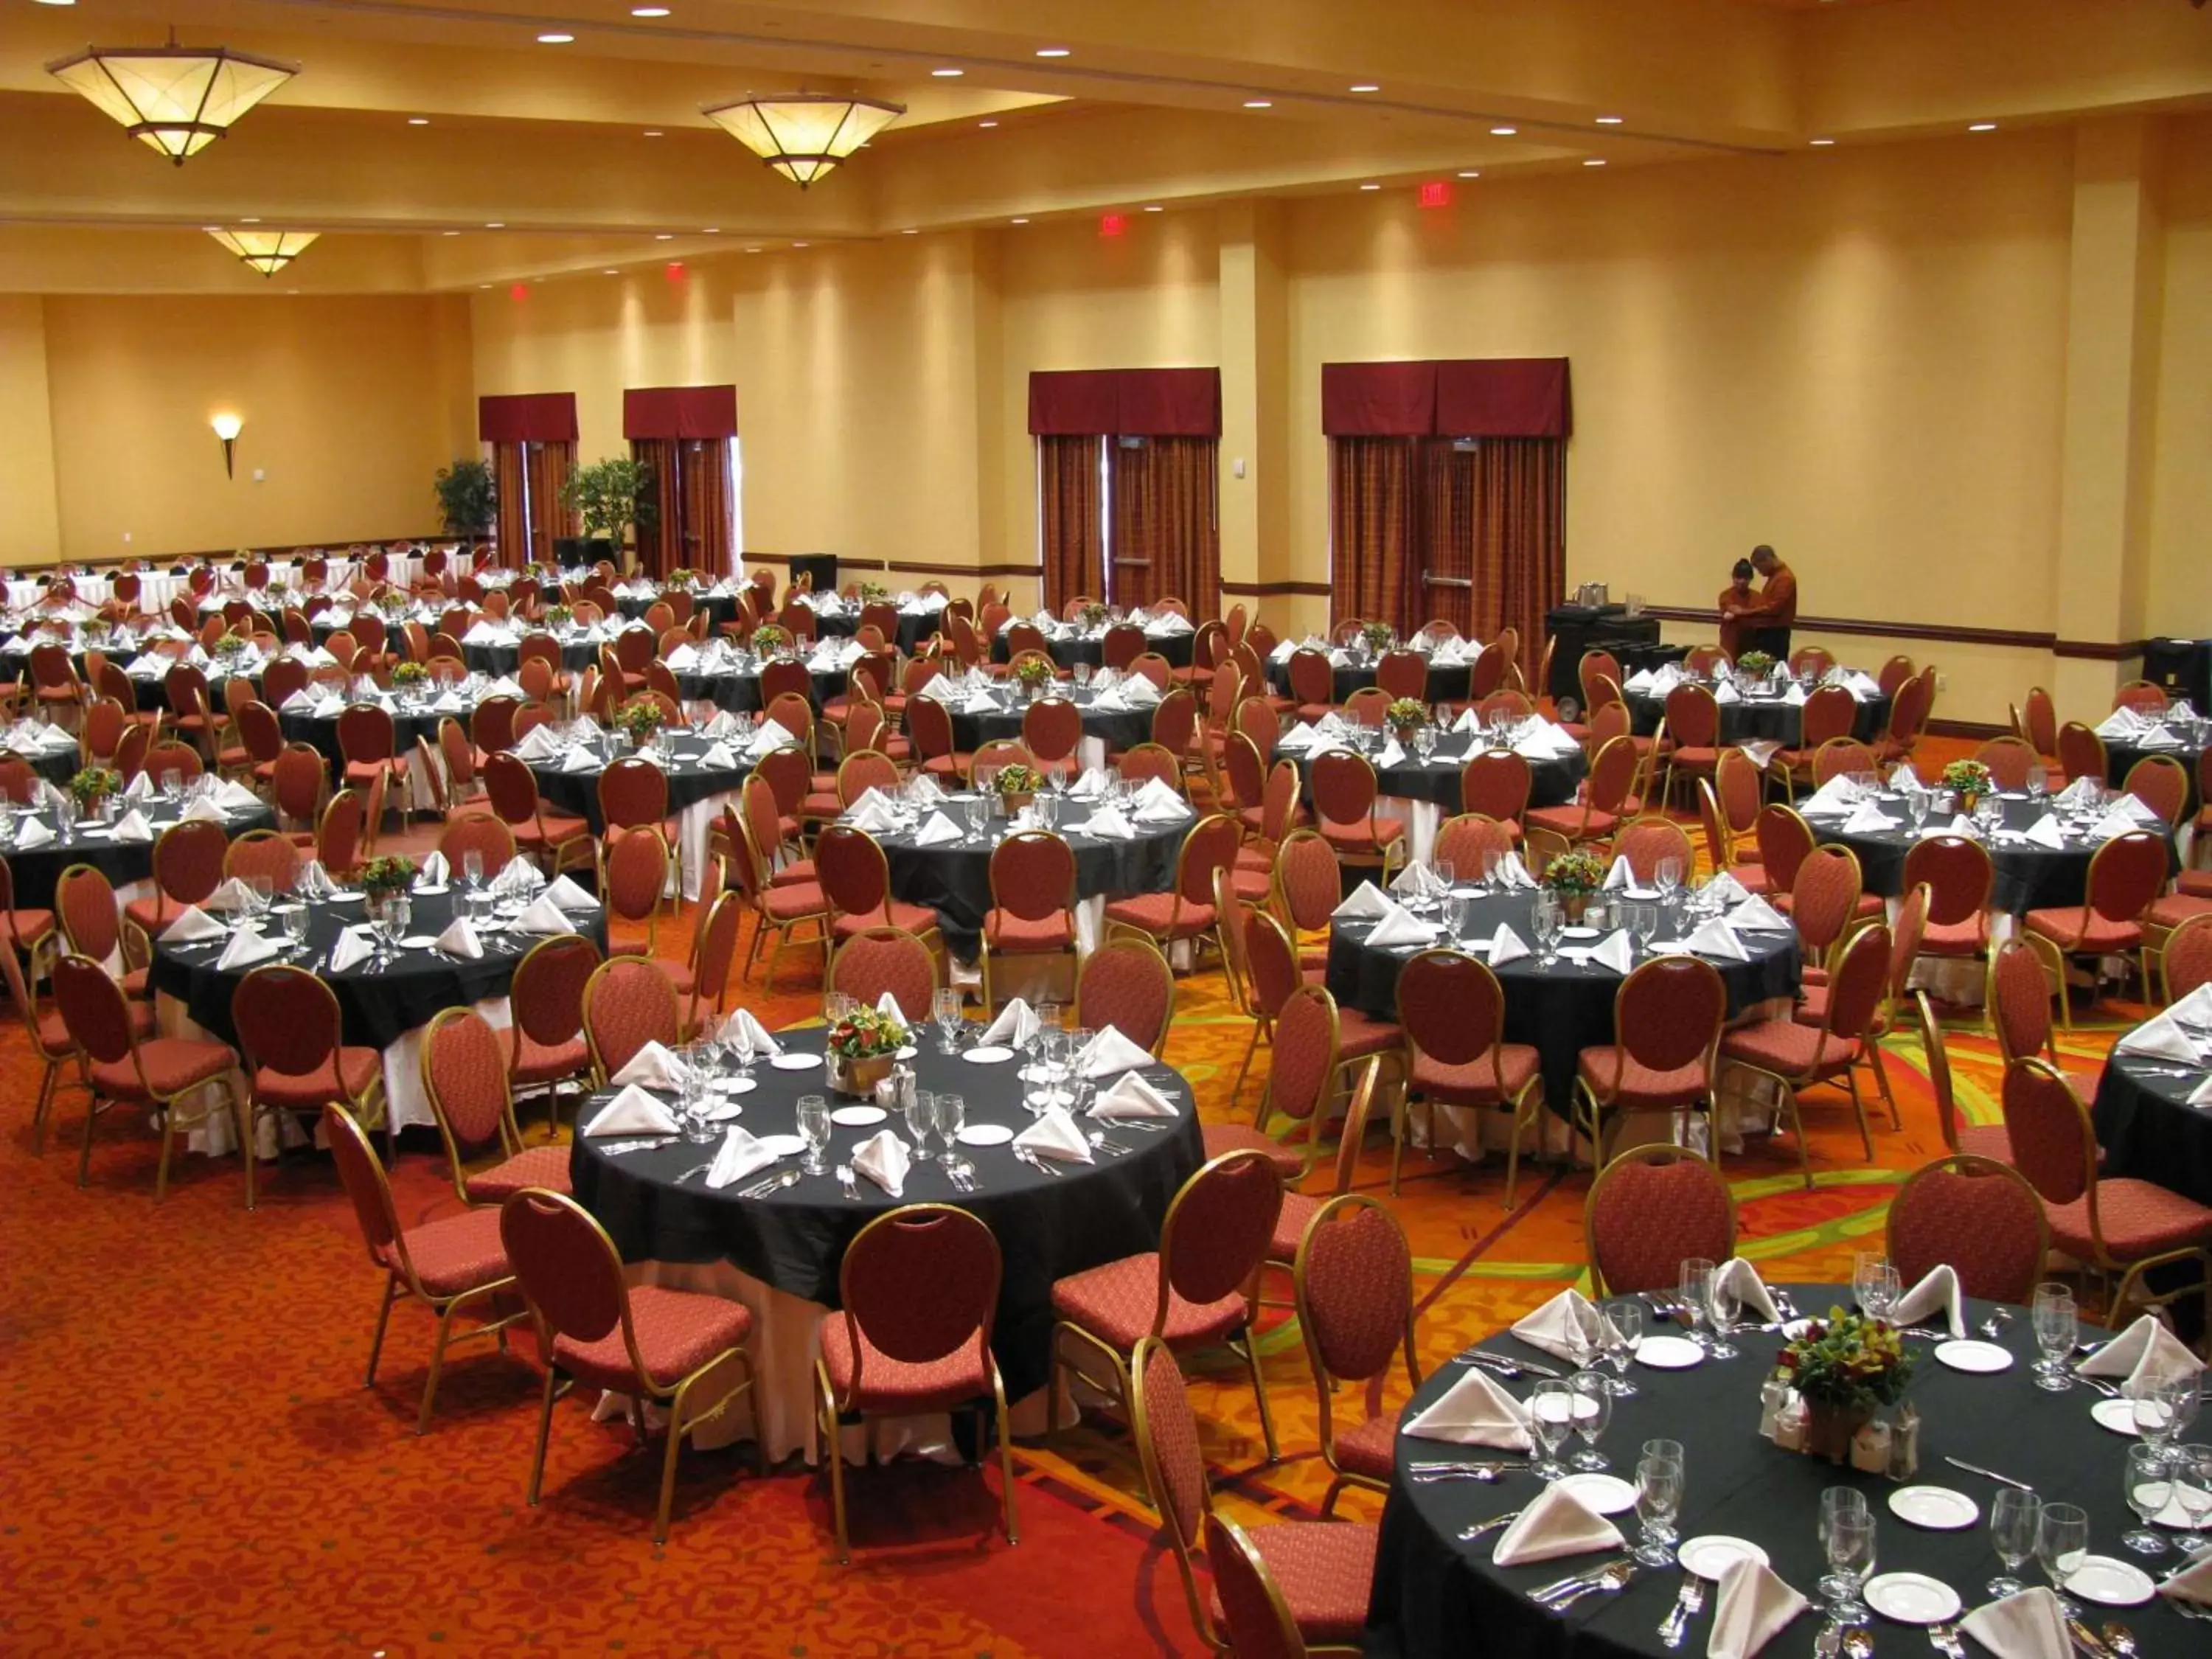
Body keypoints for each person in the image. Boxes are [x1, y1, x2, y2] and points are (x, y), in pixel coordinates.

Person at [1722, 544, 1796, 660]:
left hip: (1775, 634)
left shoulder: (1784, 578)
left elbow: (1773, 608)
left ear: (1767, 560)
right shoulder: (1775, 577)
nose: (1760, 572)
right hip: (1768, 633)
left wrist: (1743, 612)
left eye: (1759, 567)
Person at [1717, 559, 1756, 660]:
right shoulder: (1726, 595)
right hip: (1730, 641)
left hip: (1751, 640)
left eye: (1745, 578)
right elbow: (1731, 610)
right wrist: (1749, 613)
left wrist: (1740, 612)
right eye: (1738, 578)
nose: (1742, 581)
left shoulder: (1757, 596)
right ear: (1733, 577)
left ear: (1751, 579)